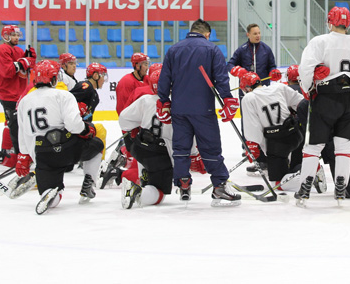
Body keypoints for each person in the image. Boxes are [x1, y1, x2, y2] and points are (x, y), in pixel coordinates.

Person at [294, 6, 350, 206]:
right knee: (344, 145)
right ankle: (341, 186)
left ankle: (305, 187)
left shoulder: (319, 41)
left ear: (330, 22)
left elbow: (305, 69)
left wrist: (310, 89)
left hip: (325, 96)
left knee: (313, 146)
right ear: (347, 23)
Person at [158, 19, 241, 207]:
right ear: (207, 34)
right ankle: (219, 185)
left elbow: (164, 79)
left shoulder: (173, 50)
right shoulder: (212, 49)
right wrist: (227, 98)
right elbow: (221, 78)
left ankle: (184, 183)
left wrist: (163, 101)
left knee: (181, 149)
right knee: (210, 148)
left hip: (179, 109)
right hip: (203, 109)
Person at [15, 60, 104, 215]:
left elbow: (23, 133)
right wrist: (86, 129)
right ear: (55, 78)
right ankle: (89, 183)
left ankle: (52, 192)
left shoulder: (24, 101)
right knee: (96, 145)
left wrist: (24, 156)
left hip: (41, 154)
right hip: (66, 148)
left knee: (51, 194)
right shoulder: (63, 95)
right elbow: (74, 126)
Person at [118, 69, 175, 209]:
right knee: (159, 193)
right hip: (161, 153)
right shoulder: (178, 103)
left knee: (149, 174)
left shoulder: (145, 100)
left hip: (140, 147)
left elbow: (124, 119)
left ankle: (143, 183)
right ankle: (135, 190)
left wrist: (137, 127)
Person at [239, 72, 304, 184]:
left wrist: (253, 146)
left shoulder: (249, 98)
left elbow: (253, 126)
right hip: (295, 135)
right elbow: (302, 103)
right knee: (291, 167)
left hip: (277, 143)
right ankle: (309, 169)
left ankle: (310, 173)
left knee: (278, 183)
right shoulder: (279, 87)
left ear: (248, 88)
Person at [0, 24, 35, 169]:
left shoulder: (18, 50)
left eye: (17, 35)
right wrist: (24, 61)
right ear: (5, 36)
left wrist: (29, 59)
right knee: (15, 125)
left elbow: (25, 68)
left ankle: (17, 155)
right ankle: (16, 156)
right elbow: (8, 72)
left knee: (18, 125)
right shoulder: (1, 49)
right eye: (13, 35)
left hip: (20, 94)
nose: (16, 38)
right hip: (8, 94)